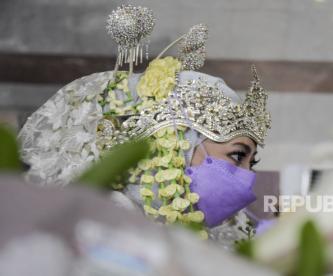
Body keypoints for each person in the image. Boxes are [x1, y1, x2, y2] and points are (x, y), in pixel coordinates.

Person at [18, 4, 271, 249]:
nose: (248, 176)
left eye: (252, 162)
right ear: (172, 144)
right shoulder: (99, 231)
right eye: (237, 155)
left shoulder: (225, 235)